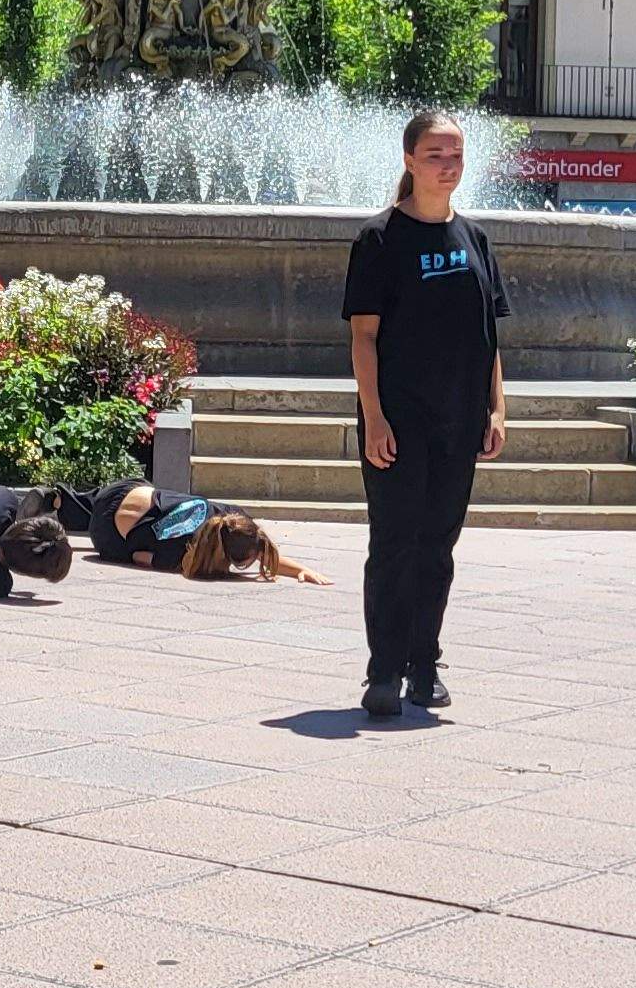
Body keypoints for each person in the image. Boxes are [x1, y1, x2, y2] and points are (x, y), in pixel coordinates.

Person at [344, 110, 511, 719]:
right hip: (398, 420)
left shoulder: (475, 239)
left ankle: (424, 664)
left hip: (459, 419)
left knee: (438, 546)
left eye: (456, 154)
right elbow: (364, 337)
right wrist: (374, 417)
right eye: (436, 155)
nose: (448, 165)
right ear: (410, 160)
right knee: (394, 542)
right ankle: (383, 671)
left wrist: (497, 409)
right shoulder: (379, 239)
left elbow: (489, 336)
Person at [55, 481, 326, 583]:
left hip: (125, 489)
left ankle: (61, 500)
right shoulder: (179, 556)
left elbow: (257, 549)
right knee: (123, 538)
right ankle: (68, 507)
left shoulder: (230, 515)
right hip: (106, 534)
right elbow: (138, 556)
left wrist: (299, 569)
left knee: (107, 504)